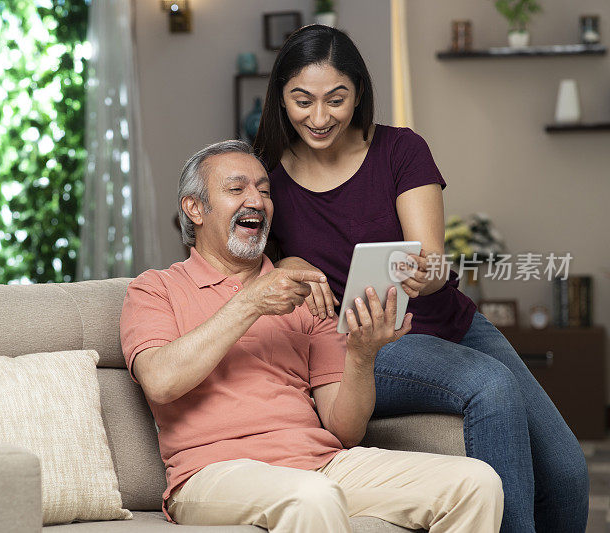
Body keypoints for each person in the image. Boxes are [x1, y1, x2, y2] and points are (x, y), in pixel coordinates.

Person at [251, 24, 588, 533]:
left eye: (336, 99)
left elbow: (430, 256)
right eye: (302, 100)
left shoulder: (401, 150)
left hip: (450, 323)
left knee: (567, 471)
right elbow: (250, 265)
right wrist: (289, 265)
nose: (319, 118)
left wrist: (429, 272)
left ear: (358, 93)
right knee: (488, 385)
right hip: (364, 343)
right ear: (280, 97)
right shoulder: (267, 178)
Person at [120, 140, 503, 533]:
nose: (256, 200)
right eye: (237, 190)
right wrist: (251, 302)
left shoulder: (305, 294)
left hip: (320, 464)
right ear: (194, 208)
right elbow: (161, 381)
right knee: (312, 496)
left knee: (476, 483)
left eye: (264, 191)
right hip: (212, 472)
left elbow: (345, 430)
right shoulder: (155, 289)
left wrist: (361, 353)